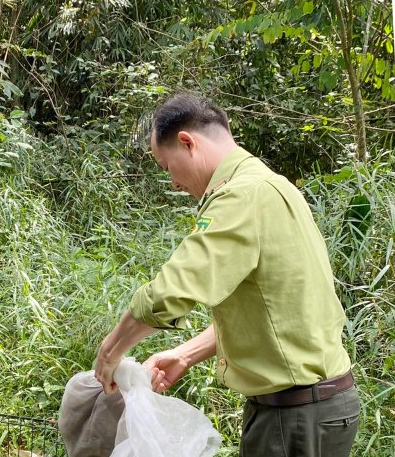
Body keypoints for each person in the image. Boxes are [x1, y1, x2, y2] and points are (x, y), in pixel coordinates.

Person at [94, 93, 359, 456]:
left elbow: (168, 294)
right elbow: (272, 313)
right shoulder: (272, 186)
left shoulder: (241, 196)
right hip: (313, 408)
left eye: (166, 166)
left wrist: (109, 353)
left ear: (187, 142)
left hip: (295, 415)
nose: (172, 183)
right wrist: (186, 354)